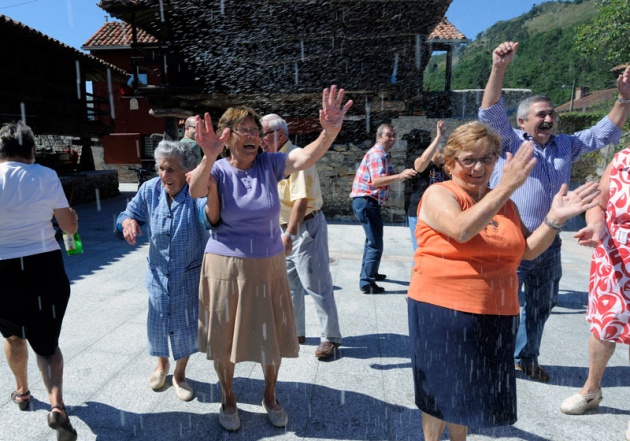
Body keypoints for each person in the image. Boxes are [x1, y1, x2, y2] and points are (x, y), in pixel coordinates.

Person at [407, 121, 600, 441]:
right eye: (468, 159)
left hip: (495, 313)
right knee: (441, 390)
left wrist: (555, 218)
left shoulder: (504, 204)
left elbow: (528, 251)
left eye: (487, 158)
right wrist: (507, 187)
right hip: (442, 309)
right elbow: (462, 229)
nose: (478, 167)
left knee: (468, 392)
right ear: (450, 161)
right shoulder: (439, 194)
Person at [188, 86, 352, 431]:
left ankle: (270, 395)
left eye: (255, 131)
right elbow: (196, 191)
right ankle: (228, 397)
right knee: (224, 335)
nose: (254, 137)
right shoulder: (217, 169)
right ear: (227, 137)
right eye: (245, 130)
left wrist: (330, 130)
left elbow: (304, 158)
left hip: (268, 263)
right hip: (223, 264)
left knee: (271, 335)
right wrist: (207, 155)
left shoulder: (269, 163)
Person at [479, 41, 630, 382]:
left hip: (549, 242)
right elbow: (489, 111)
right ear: (522, 121)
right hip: (510, 239)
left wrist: (623, 98)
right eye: (541, 115)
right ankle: (496, 359)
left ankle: (527, 357)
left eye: (551, 114)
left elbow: (605, 132)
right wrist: (499, 68)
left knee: (542, 305)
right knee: (503, 305)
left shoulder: (566, 145)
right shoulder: (510, 142)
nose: (548, 119)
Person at [0, 122, 78, 441]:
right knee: (47, 345)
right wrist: (70, 217)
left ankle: (22, 391)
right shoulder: (45, 176)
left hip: (1, 270)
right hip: (43, 266)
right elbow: (68, 228)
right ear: (31, 150)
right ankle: (57, 405)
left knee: (13, 337)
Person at [115, 140, 208, 402]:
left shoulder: (196, 193)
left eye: (170, 169)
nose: (164, 175)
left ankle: (179, 374)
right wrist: (128, 221)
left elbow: (210, 217)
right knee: (158, 322)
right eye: (161, 168)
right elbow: (126, 213)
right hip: (157, 273)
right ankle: (161, 364)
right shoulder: (150, 189)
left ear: (187, 170)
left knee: (185, 325)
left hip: (188, 274)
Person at [260, 113, 342, 359]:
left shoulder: (295, 156)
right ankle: (296, 332)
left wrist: (290, 234)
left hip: (303, 227)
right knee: (289, 285)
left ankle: (330, 337)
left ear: (279, 135)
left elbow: (301, 201)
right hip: (282, 229)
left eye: (262, 134)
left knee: (316, 284)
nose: (259, 139)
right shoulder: (272, 159)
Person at [560, 147, 630, 431]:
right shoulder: (623, 158)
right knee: (604, 326)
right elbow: (599, 204)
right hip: (614, 254)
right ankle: (591, 390)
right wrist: (595, 225)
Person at [350, 124, 417, 294]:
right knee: (375, 243)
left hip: (367, 202)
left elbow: (387, 176)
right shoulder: (377, 155)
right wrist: (401, 175)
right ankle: (367, 283)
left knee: (372, 241)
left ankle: (370, 273)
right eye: (388, 135)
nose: (392, 138)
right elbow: (377, 181)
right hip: (366, 201)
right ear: (379, 137)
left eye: (394, 135)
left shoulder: (384, 155)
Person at [406, 120, 448, 251]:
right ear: (435, 152)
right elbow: (421, 163)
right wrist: (438, 138)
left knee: (435, 251)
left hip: (437, 214)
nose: (444, 157)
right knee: (421, 251)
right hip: (419, 213)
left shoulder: (446, 169)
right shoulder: (425, 165)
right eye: (441, 154)